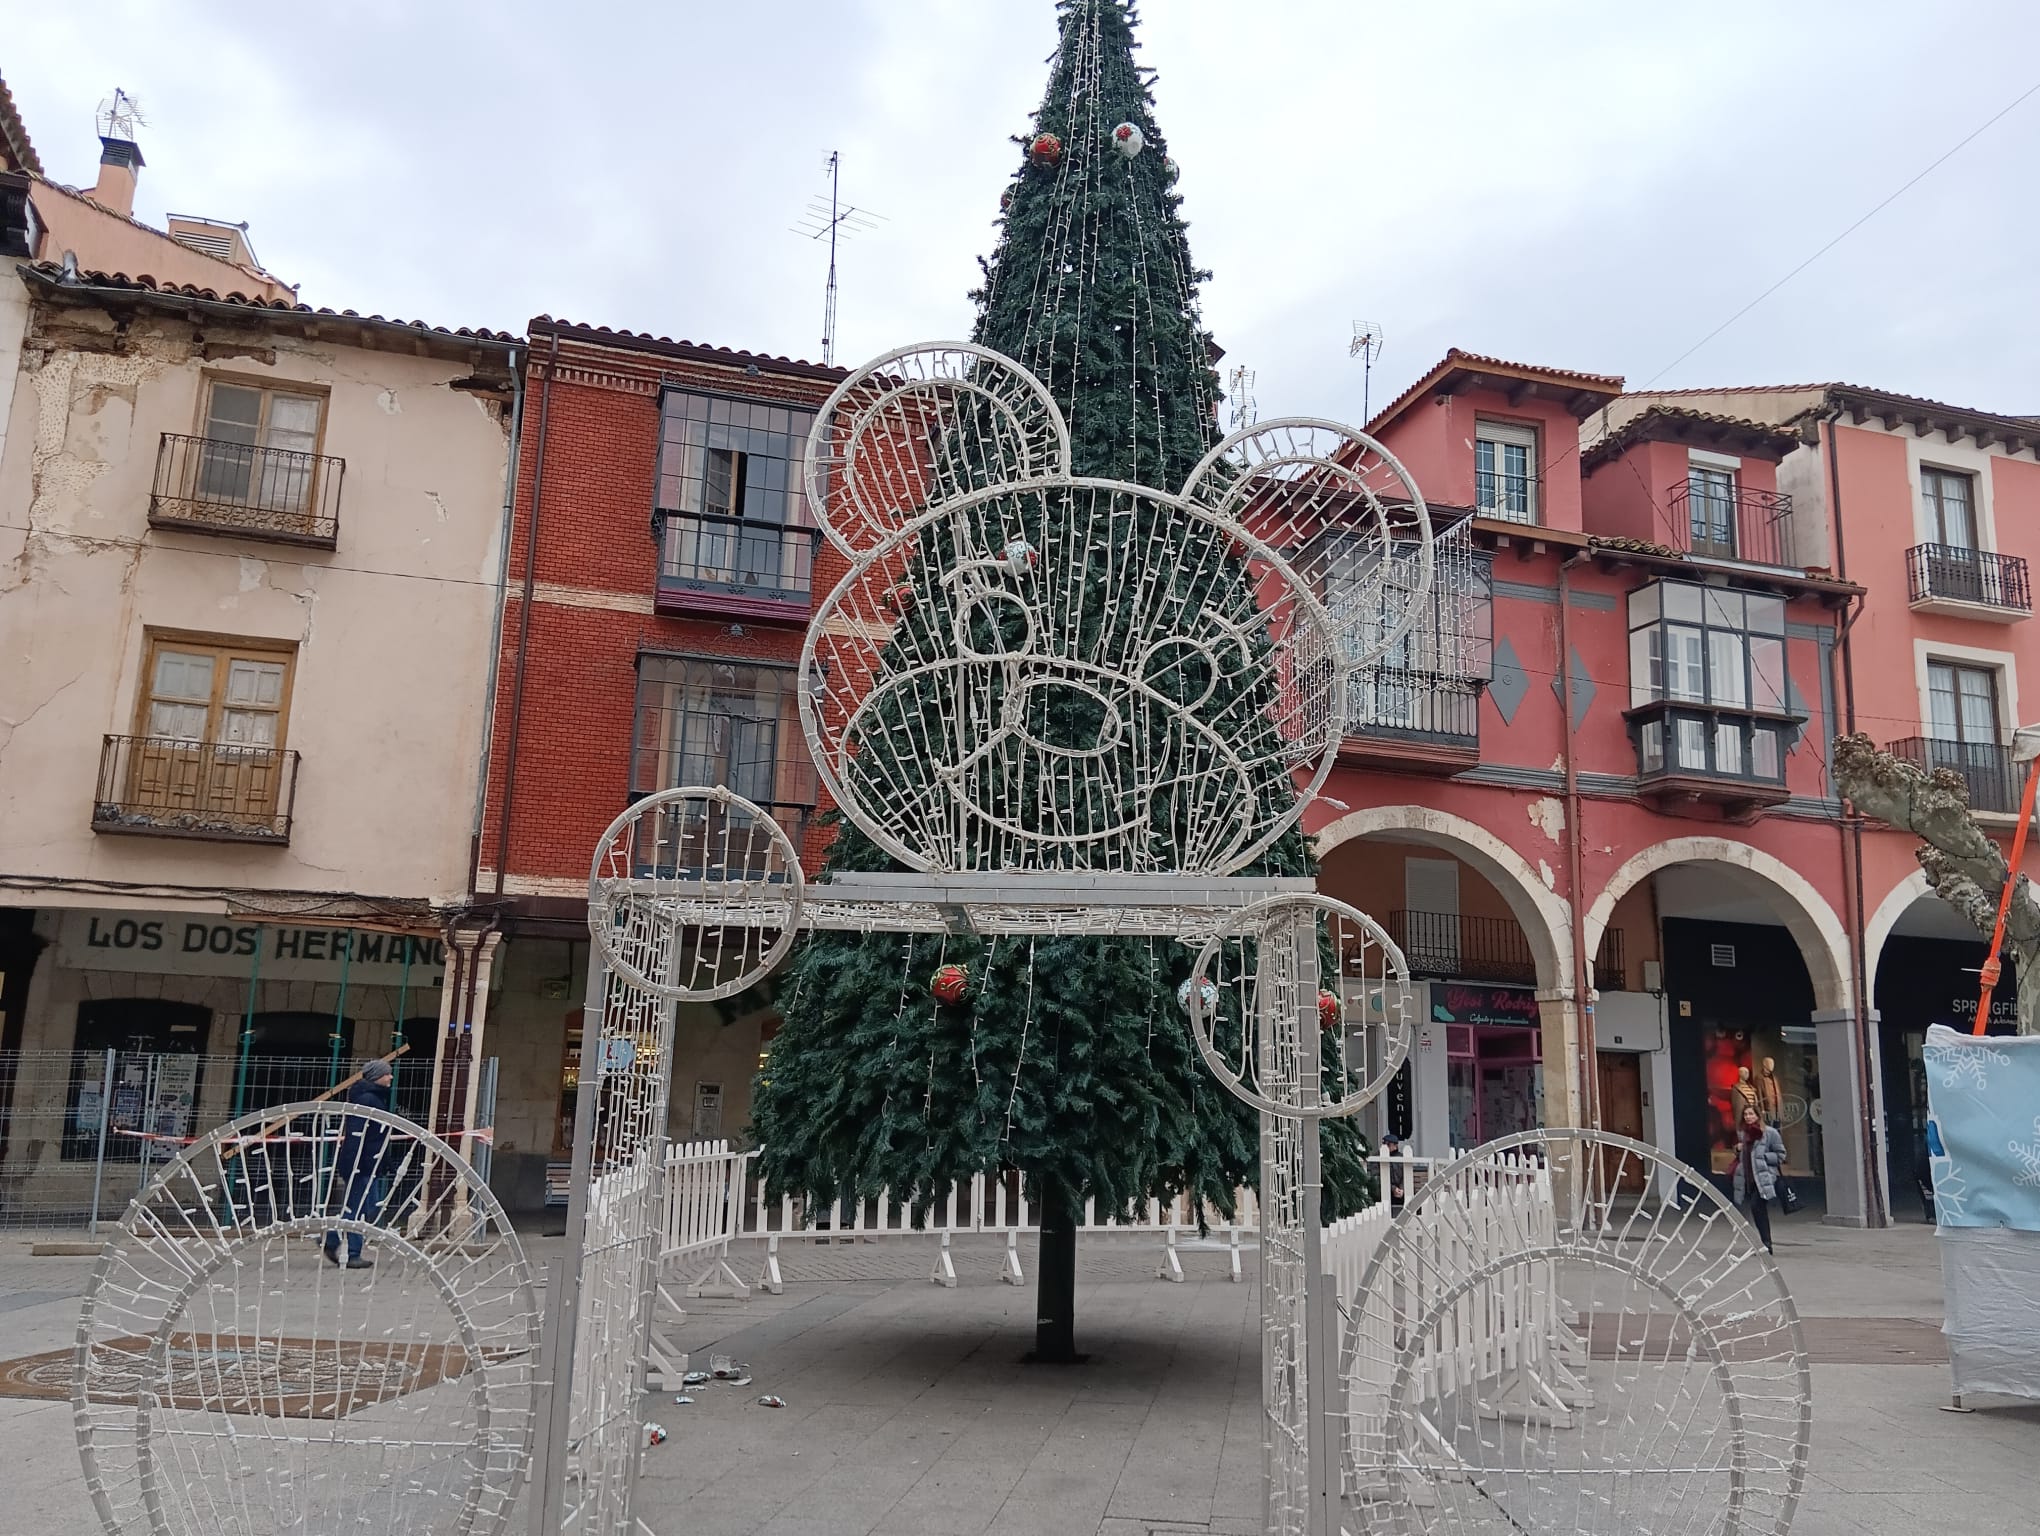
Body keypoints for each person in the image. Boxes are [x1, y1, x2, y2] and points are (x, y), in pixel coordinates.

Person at [325, 1058, 394, 1270]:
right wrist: (355, 1163)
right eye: (387, 1074)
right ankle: (346, 1248)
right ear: (377, 1077)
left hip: (367, 1163)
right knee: (360, 1208)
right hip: (361, 1164)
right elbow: (357, 1134)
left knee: (364, 1207)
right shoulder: (367, 1100)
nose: (390, 1077)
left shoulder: (371, 1098)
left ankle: (332, 1239)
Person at [1731, 1103, 1787, 1255]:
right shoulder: (1743, 1134)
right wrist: (1737, 1149)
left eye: (1751, 1114)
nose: (1748, 1117)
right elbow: (1742, 1156)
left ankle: (1766, 1244)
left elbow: (1781, 1155)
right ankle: (1765, 1243)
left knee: (1757, 1207)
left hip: (1764, 1178)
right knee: (1758, 1212)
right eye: (1746, 1114)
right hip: (1749, 1179)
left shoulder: (1770, 1133)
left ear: (1758, 1115)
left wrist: (1763, 1157)